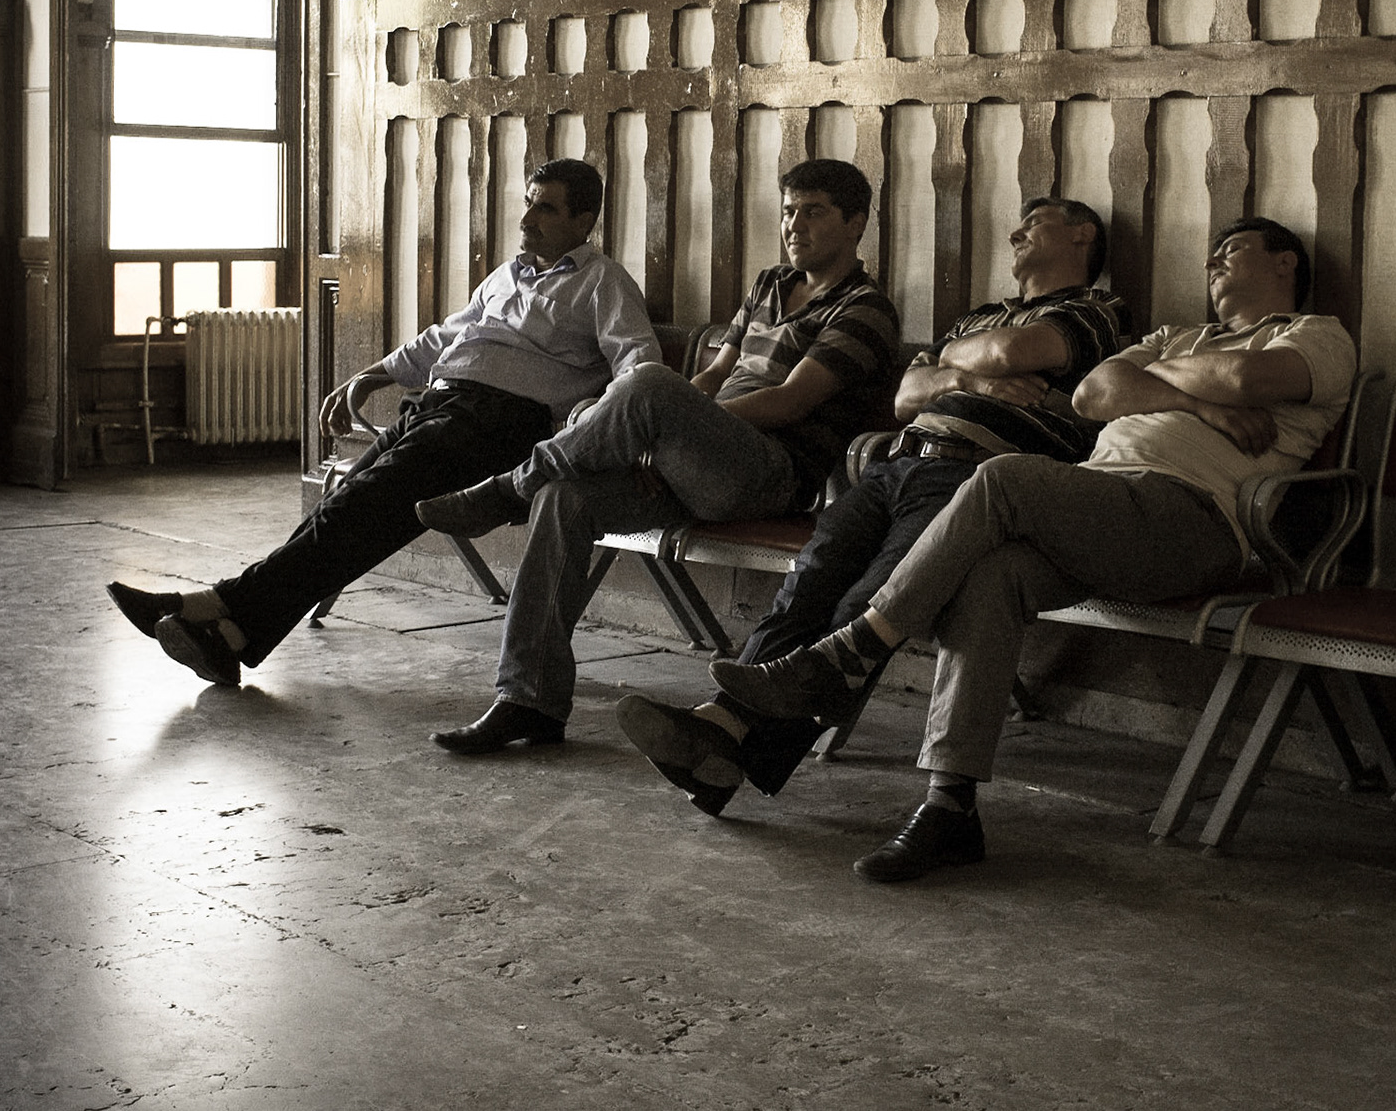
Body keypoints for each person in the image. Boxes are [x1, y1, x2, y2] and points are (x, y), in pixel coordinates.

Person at [713, 217, 1356, 882]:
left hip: (1196, 520)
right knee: (992, 575)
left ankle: (854, 648)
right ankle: (949, 805)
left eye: (1236, 248)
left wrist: (1168, 382)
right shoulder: (1177, 335)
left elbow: (1249, 377)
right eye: (1214, 250)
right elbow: (1094, 392)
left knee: (1001, 477)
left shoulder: (1317, 335)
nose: (1215, 260)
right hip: (1098, 506)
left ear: (1286, 265)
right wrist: (1204, 402)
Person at [612, 197, 1131, 816]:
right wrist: (966, 379)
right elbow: (908, 395)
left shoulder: (1096, 313)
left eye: (1036, 223)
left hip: (977, 477)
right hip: (898, 465)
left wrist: (955, 364)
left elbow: (1011, 355)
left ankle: (723, 739)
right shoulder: (983, 316)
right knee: (809, 584)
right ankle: (723, 740)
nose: (1016, 231)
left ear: (1082, 236)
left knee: (867, 600)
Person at [105, 159, 657, 688]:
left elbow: (639, 366)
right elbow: (446, 336)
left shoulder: (602, 282)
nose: (527, 219)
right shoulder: (506, 276)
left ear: (584, 222)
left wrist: (587, 415)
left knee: (359, 504)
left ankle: (213, 606)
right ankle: (233, 633)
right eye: (529, 203)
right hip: (440, 407)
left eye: (548, 210)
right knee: (351, 508)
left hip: (500, 426)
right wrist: (372, 375)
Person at [414, 159, 900, 755]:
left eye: (814, 212)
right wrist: (663, 434)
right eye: (788, 211)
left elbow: (788, 401)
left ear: (856, 223)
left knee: (646, 381)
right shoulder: (770, 284)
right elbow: (715, 373)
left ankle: (506, 489)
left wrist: (673, 419)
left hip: (768, 473)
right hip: (696, 462)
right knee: (564, 496)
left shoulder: (865, 309)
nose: (794, 225)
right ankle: (528, 700)